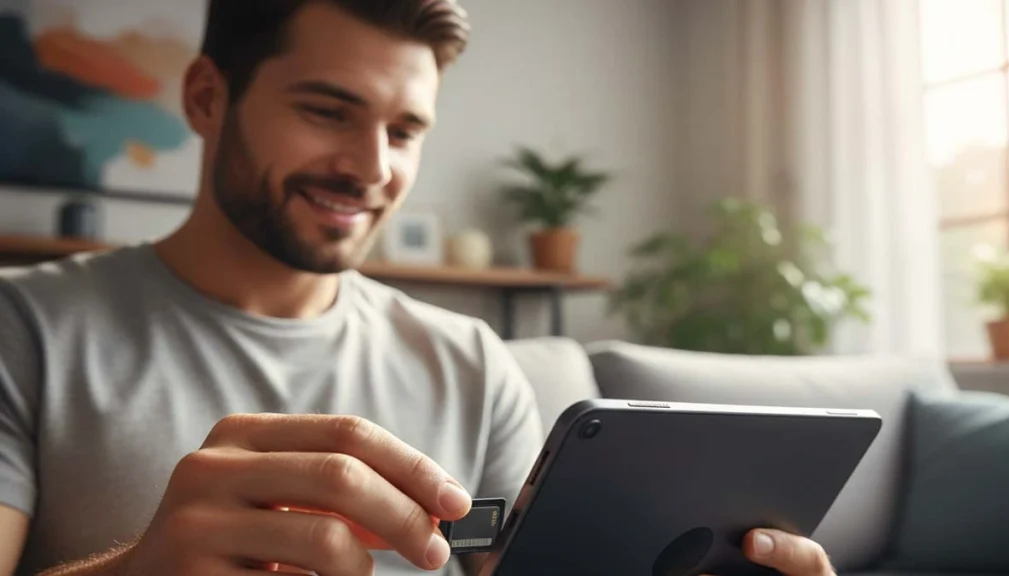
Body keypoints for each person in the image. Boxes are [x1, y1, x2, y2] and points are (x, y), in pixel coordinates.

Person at [0, 1, 839, 575]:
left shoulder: (471, 360)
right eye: (328, 111)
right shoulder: (25, 329)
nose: (372, 167)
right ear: (207, 97)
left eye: (403, 130)